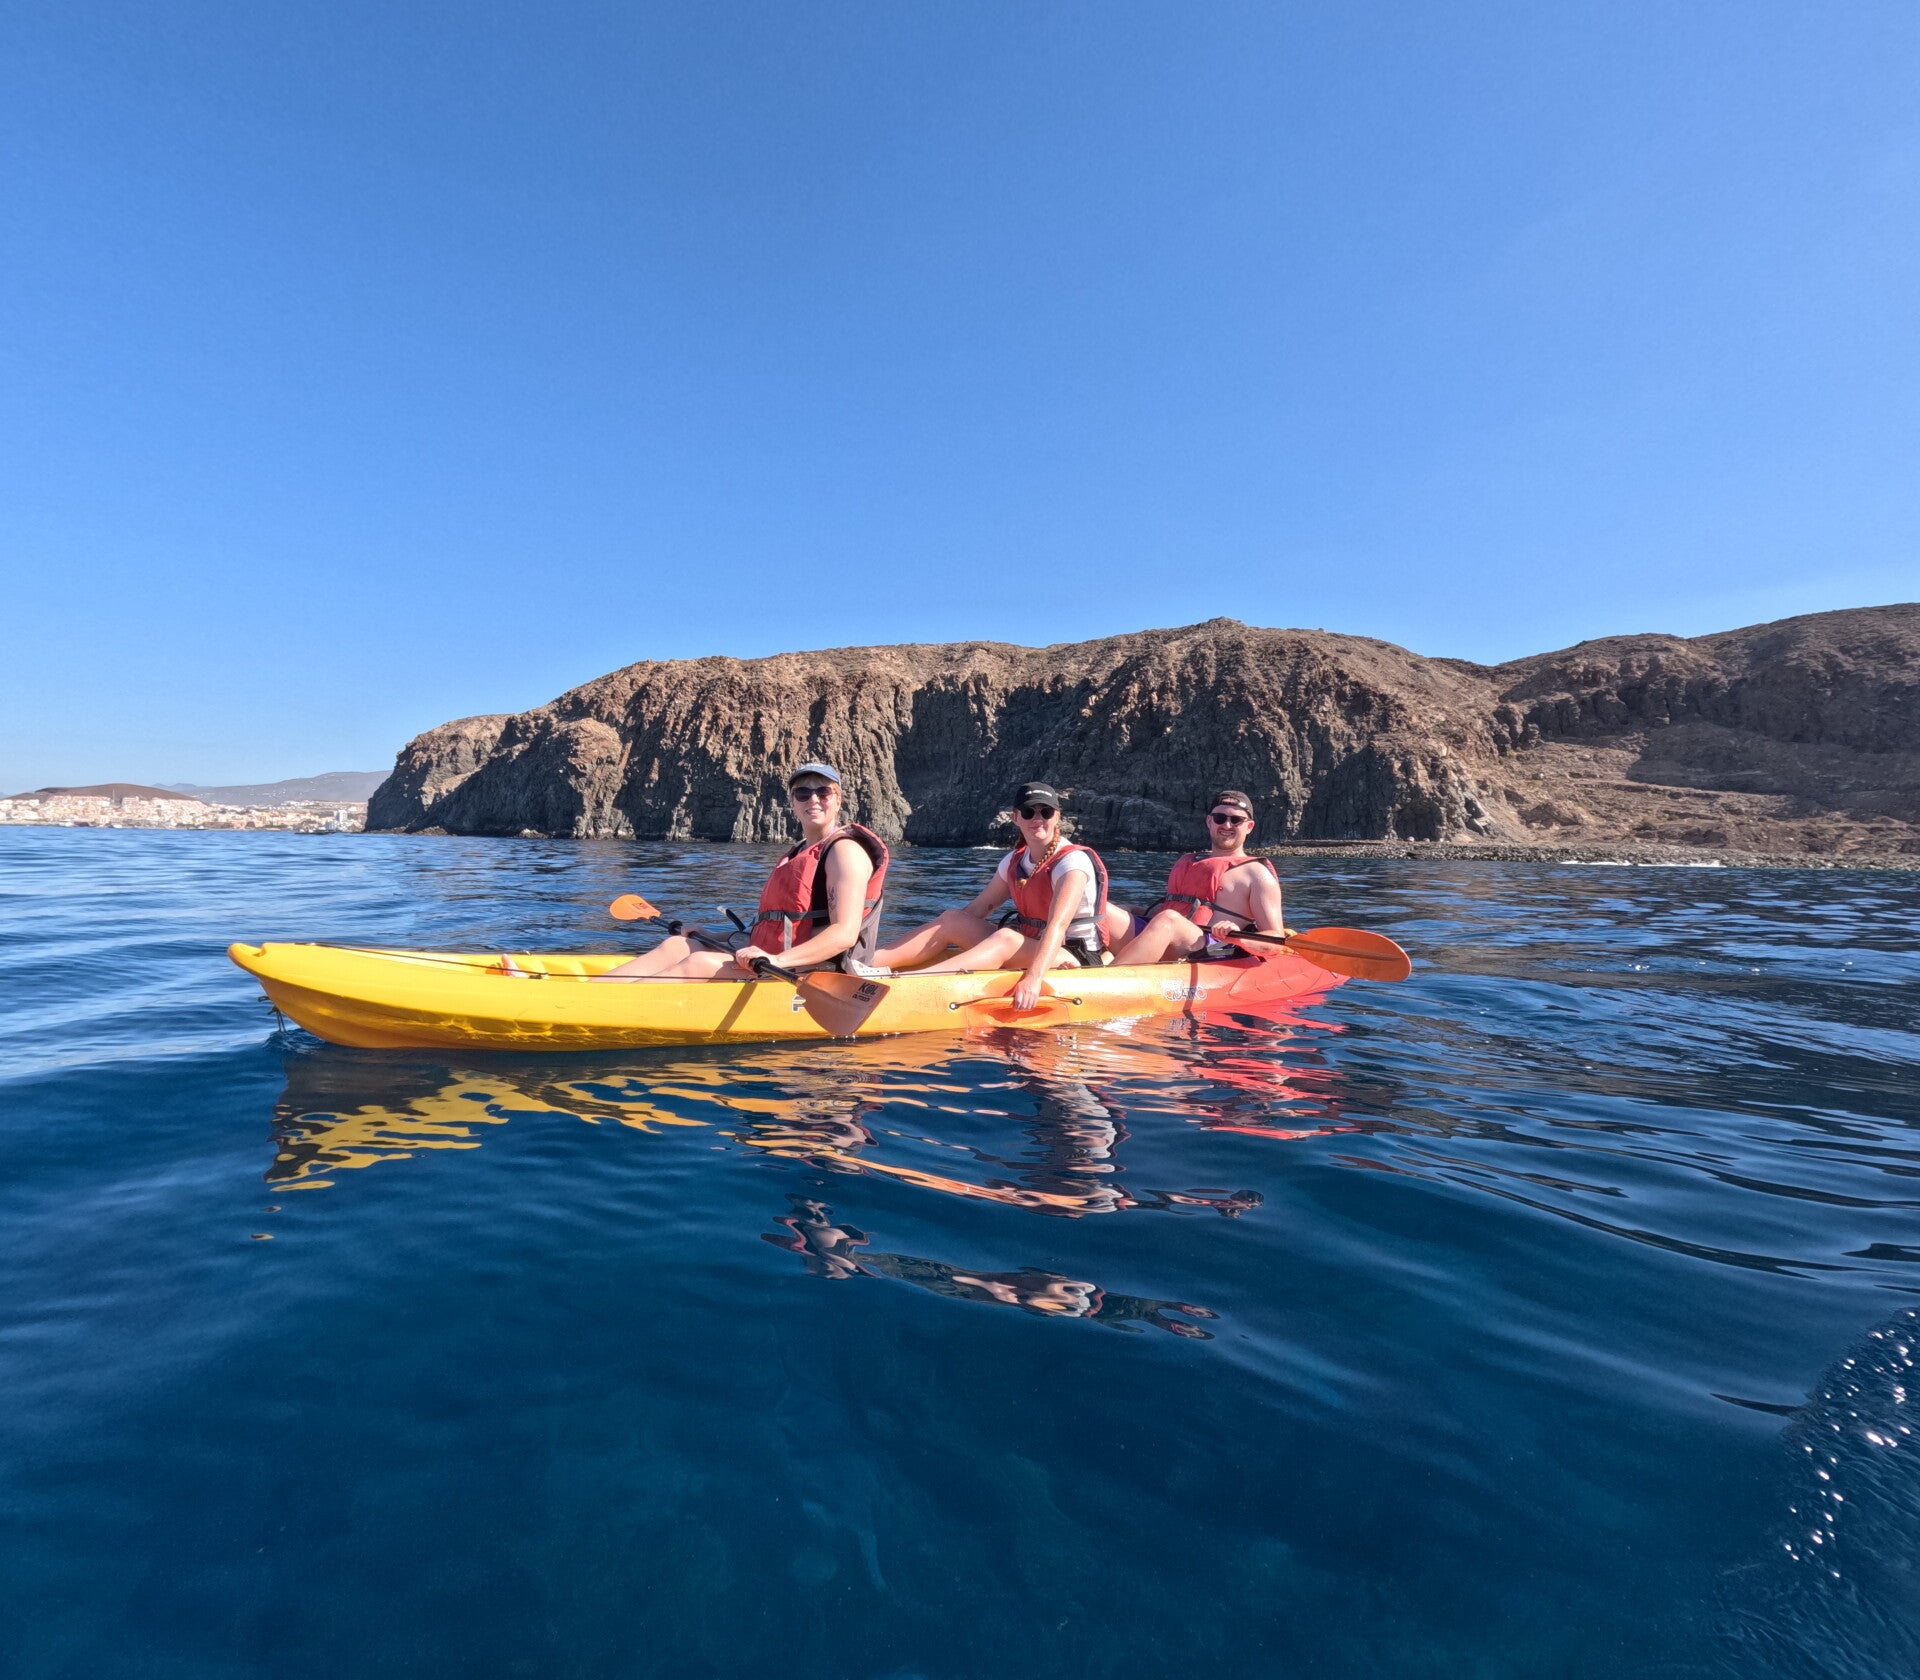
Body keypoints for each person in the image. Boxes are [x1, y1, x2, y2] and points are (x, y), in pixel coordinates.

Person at [591, 763, 888, 982]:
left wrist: (776, 959)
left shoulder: (845, 851)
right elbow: (776, 926)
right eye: (802, 793)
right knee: (678, 944)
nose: (813, 799)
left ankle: (606, 1010)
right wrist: (712, 935)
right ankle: (591, 995)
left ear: (838, 799)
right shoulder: (799, 851)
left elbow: (844, 934)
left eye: (823, 791)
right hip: (775, 958)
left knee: (700, 963)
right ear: (792, 803)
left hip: (816, 969)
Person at [875, 782, 1121, 1011]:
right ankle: (870, 964)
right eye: (1029, 812)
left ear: (1057, 817)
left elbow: (1058, 926)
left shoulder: (1072, 862)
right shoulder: (1014, 861)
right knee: (952, 918)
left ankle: (905, 984)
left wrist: (1034, 978)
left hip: (1074, 955)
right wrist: (950, 937)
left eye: (1046, 812)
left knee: (1006, 938)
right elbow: (978, 909)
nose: (1037, 819)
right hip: (1031, 944)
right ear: (1016, 818)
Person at [1115, 789, 1284, 964]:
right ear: (1209, 821)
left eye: (1236, 820)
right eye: (1219, 818)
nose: (1227, 825)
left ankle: (1111, 976)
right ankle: (1104, 966)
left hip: (1209, 949)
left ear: (1249, 826)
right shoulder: (1189, 862)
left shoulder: (1257, 875)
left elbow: (1276, 939)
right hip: (1166, 934)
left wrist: (1239, 937)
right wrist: (1133, 910)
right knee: (1105, 911)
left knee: (1169, 919)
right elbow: (1175, 910)